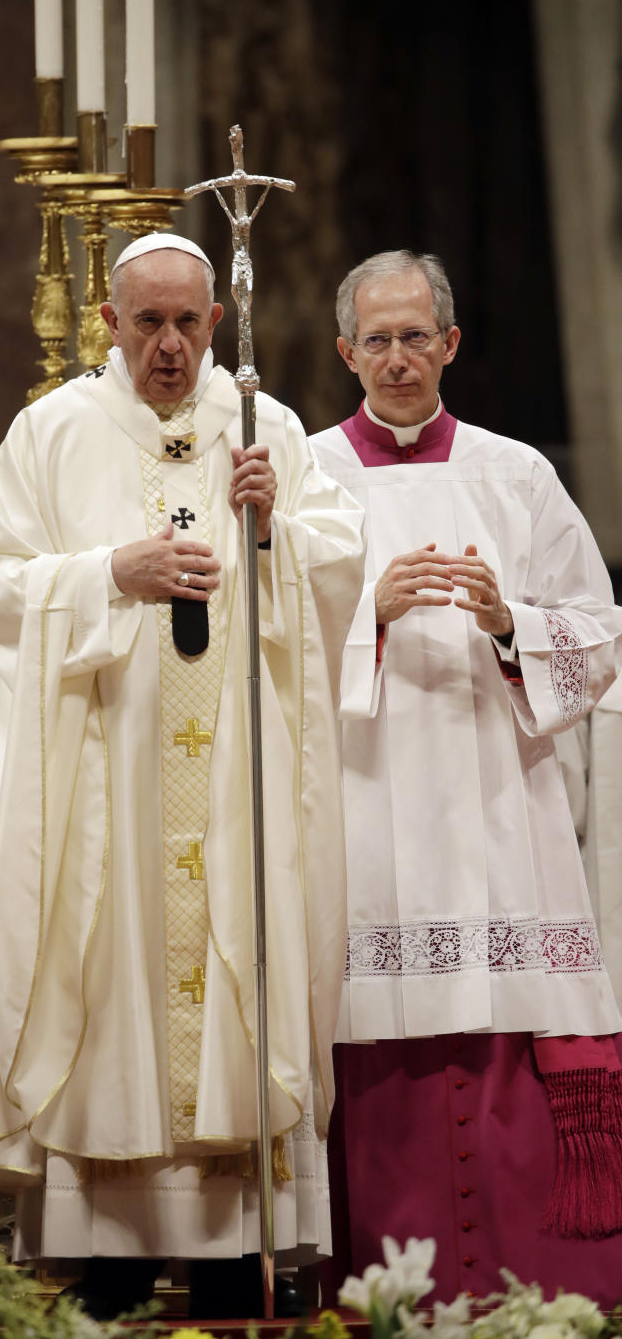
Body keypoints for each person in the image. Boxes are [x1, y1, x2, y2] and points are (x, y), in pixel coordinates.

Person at [0, 233, 365, 1318]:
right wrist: (103, 575)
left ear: (216, 322)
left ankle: (239, 1252)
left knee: (240, 960)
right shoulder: (55, 431)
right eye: (147, 324)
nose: (169, 346)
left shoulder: (264, 430)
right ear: (109, 323)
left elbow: (337, 562)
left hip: (235, 768)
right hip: (107, 770)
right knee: (113, 956)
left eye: (188, 323)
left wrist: (275, 533)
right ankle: (112, 1250)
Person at [309, 250, 622, 1304]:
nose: (397, 359)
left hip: (499, 796)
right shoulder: (309, 481)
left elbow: (598, 632)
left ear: (450, 343)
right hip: (367, 789)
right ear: (345, 351)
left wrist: (508, 622)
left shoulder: (516, 474)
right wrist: (369, 614)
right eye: (376, 340)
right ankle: (387, 1292)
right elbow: (257, 652)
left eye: (416, 336)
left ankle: (543, 1297)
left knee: (507, 1007)